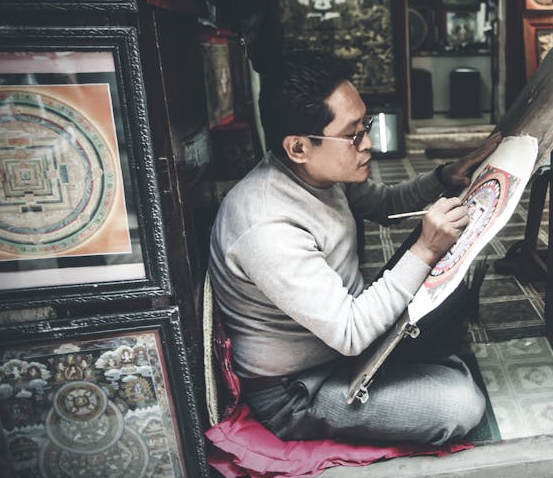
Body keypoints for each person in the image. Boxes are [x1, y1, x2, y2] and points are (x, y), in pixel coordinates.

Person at [209, 50, 501, 446]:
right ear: (298, 147)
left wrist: (444, 177)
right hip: (298, 389)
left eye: (367, 125)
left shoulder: (323, 171)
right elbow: (349, 332)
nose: (368, 144)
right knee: (461, 405)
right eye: (353, 135)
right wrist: (425, 249)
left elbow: (382, 204)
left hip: (343, 340)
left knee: (451, 275)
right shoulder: (266, 225)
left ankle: (415, 367)